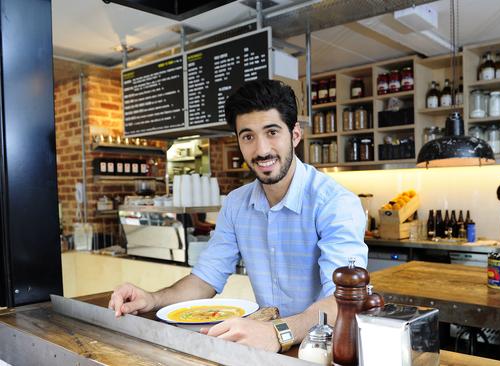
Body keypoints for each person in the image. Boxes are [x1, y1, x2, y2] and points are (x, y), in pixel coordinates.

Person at [109, 79, 368, 352]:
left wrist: (277, 333)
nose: (261, 150)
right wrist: (152, 298)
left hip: (326, 347)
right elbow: (205, 279)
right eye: (248, 136)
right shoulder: (236, 204)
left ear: (294, 135)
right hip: (267, 346)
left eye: (272, 132)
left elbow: (345, 300)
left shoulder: (335, 203)